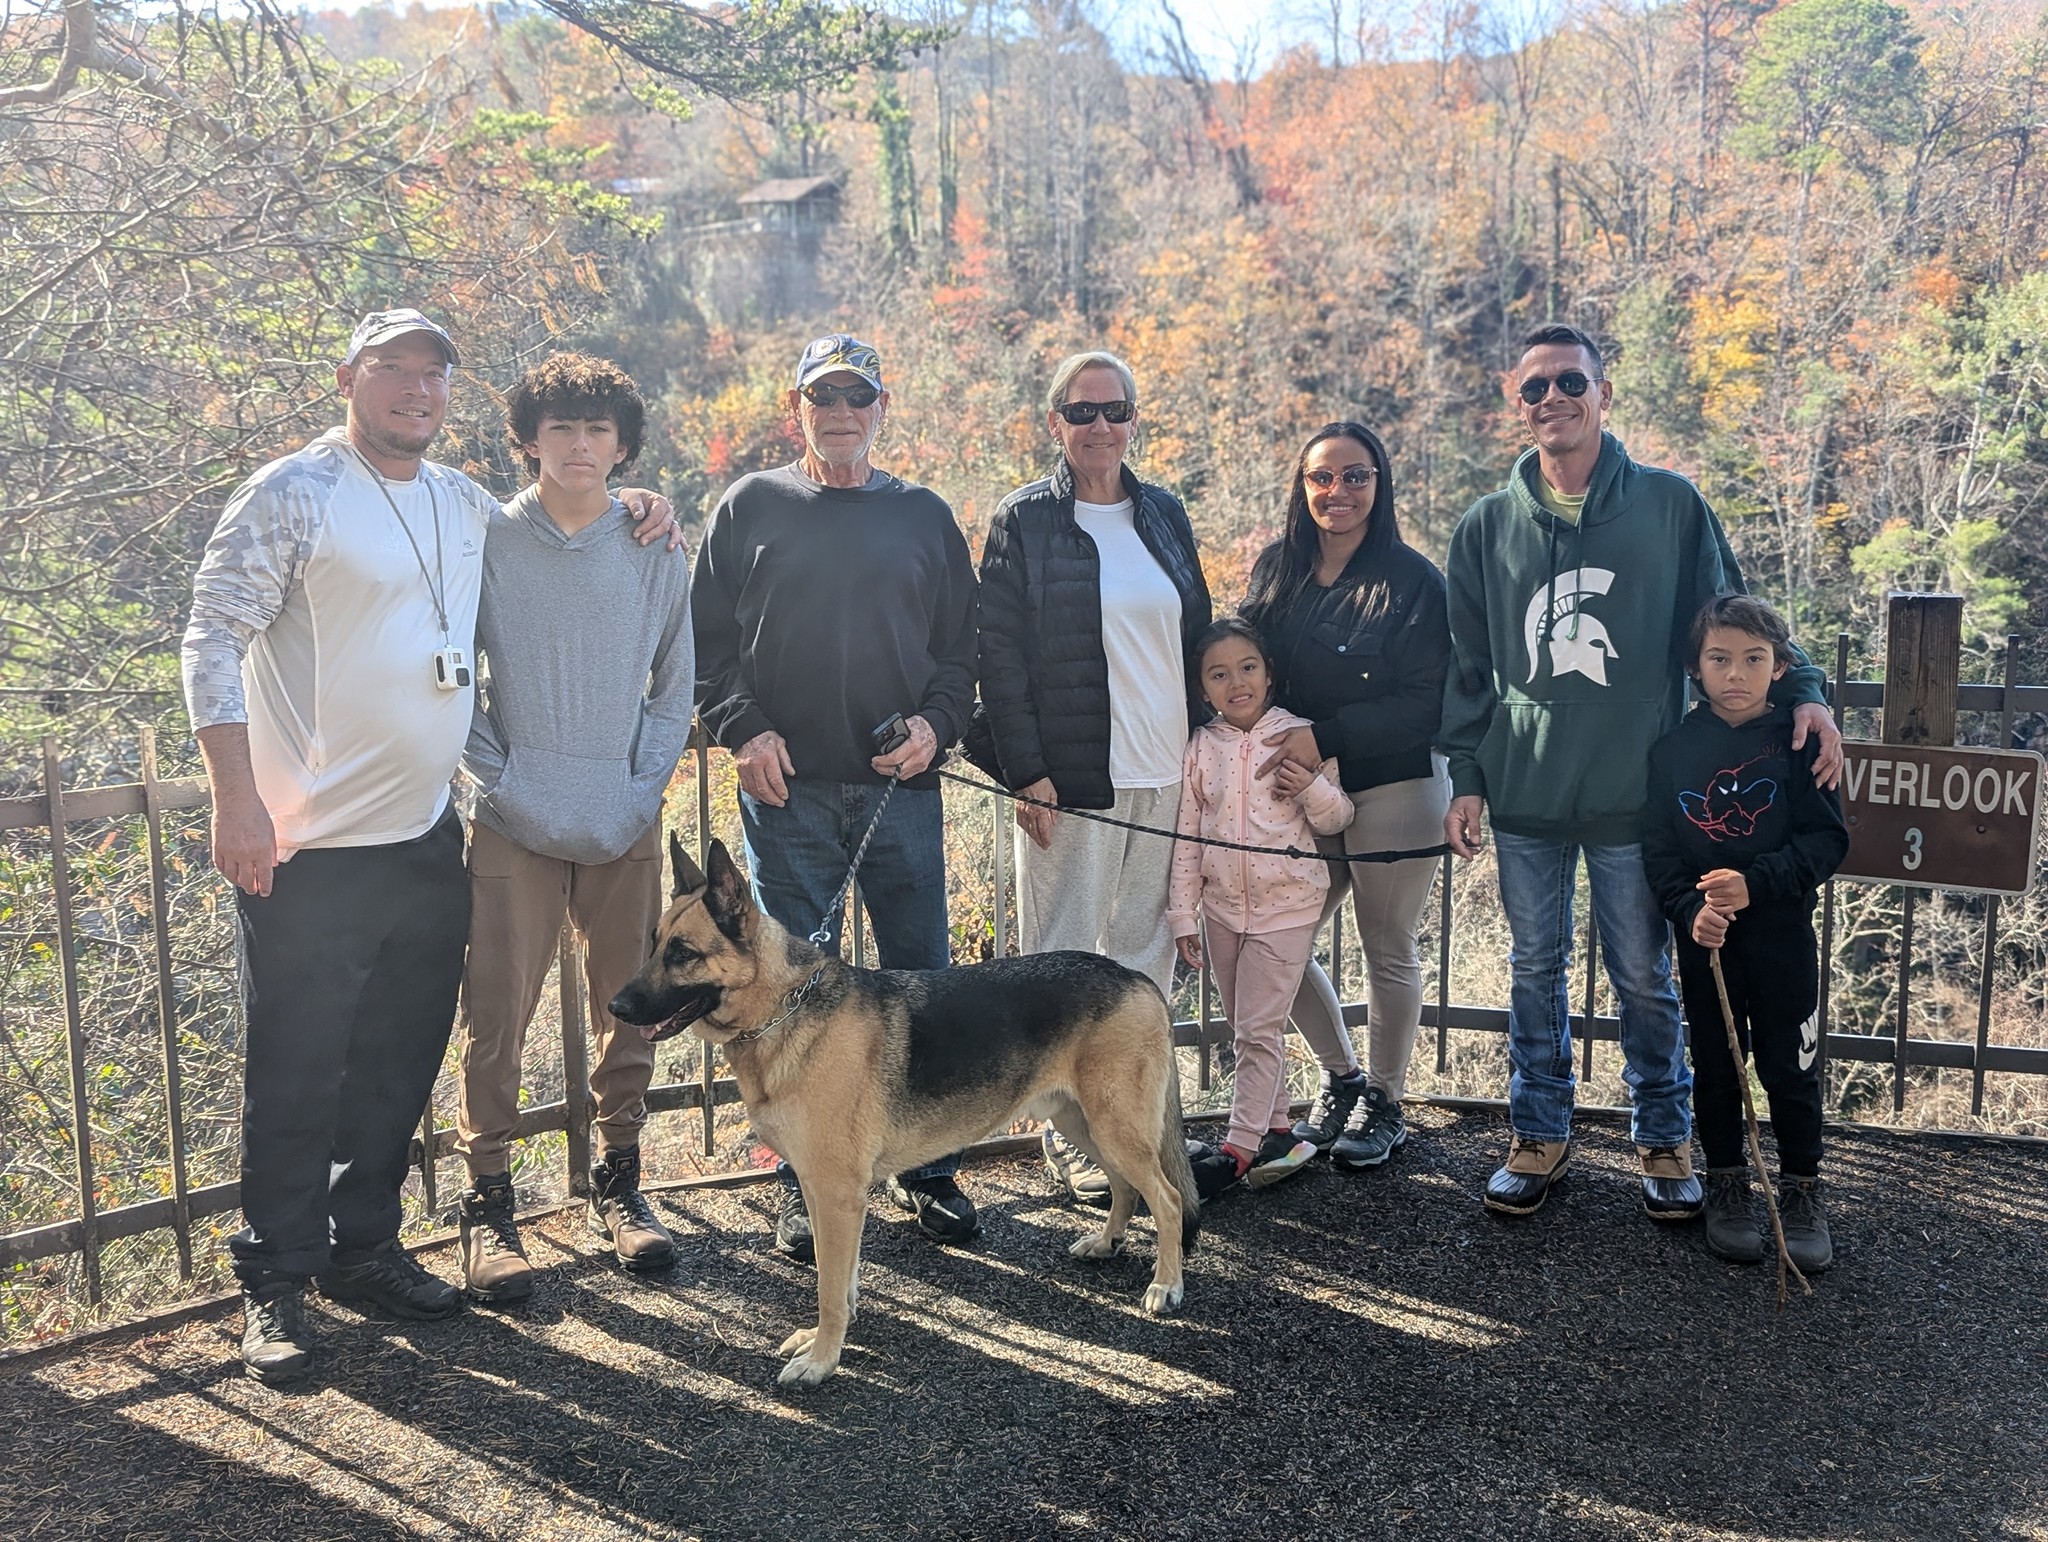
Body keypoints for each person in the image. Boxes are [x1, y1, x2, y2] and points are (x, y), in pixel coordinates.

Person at [183, 309, 678, 1383]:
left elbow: (569, 509)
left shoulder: (460, 504)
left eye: (432, 372)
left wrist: (642, 503)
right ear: (349, 376)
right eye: (392, 369)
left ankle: (364, 1250)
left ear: (451, 392)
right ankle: (274, 1282)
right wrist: (236, 800)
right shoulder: (292, 492)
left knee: (400, 1060)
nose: (415, 387)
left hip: (422, 832)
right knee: (298, 1067)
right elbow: (211, 632)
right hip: (307, 842)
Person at [1440, 322, 1843, 1221]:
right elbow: (1466, 668)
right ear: (1519, 406)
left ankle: (1663, 1136)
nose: (1553, 400)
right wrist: (1466, 774)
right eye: (1535, 388)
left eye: (1570, 383)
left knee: (1644, 973)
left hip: (1638, 794)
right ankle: (1538, 1132)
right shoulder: (1485, 527)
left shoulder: (1669, 505)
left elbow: (1739, 620)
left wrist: (1806, 688)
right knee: (1532, 967)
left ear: (1603, 393)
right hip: (1527, 791)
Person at [692, 334, 980, 1261]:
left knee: (921, 984)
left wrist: (938, 726)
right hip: (788, 795)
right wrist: (743, 730)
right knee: (785, 1003)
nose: (842, 411)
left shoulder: (926, 516)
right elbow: (707, 650)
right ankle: (796, 1179)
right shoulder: (748, 507)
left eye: (859, 396)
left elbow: (962, 656)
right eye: (825, 396)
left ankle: (930, 1171)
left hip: (902, 793)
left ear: (881, 409)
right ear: (798, 408)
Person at [451, 354, 693, 1302]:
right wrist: (500, 774)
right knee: (496, 1010)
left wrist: (642, 790)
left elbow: (677, 682)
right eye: (561, 429)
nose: (580, 445)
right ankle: (489, 1202)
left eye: (598, 430)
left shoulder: (653, 542)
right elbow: (450, 666)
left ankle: (620, 1185)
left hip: (623, 810)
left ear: (622, 444)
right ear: (528, 441)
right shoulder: (487, 539)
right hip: (514, 815)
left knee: (628, 1002)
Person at [973, 350, 1211, 1206]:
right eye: (1081, 413)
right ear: (1055, 424)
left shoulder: (1164, 513)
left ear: (1134, 419)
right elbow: (995, 655)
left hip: (1166, 770)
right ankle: (1066, 1139)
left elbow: (1197, 638)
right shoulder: (1025, 520)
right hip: (1068, 782)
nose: (1099, 427)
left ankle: (1137, 1129)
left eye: (1114, 411)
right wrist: (1026, 770)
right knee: (1060, 963)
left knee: (1144, 969)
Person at [1240, 422, 1453, 1173]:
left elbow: (1427, 703)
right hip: (1303, 785)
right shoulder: (1278, 569)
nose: (1338, 493)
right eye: (1322, 478)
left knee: (1387, 946)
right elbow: (1248, 665)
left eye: (1355, 477)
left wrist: (1325, 736)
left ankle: (1386, 1103)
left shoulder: (1415, 582)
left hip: (1394, 779)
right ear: (1302, 488)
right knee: (1275, 937)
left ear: (1379, 484)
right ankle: (1343, 1076)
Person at [1642, 595, 1847, 1271]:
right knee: (1719, 1067)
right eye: (1720, 659)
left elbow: (1827, 840)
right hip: (1709, 945)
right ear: (1694, 668)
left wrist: (1758, 883)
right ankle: (1728, 1182)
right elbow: (1661, 852)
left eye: (1754, 659)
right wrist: (1688, 910)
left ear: (1780, 666)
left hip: (1784, 938)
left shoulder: (1798, 741)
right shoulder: (1672, 751)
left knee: (1791, 1068)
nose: (1736, 673)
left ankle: (1801, 1190)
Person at [1168, 618, 1353, 1198]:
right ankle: (1278, 1128)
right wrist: (1182, 915)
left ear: (1269, 674)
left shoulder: (1299, 736)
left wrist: (1310, 787)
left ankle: (1239, 1147)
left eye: (1248, 668)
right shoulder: (1201, 748)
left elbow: (1337, 818)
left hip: (1289, 905)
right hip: (1223, 910)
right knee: (1247, 1025)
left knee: (1257, 1028)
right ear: (1203, 690)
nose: (1236, 682)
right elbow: (1187, 837)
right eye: (1219, 675)